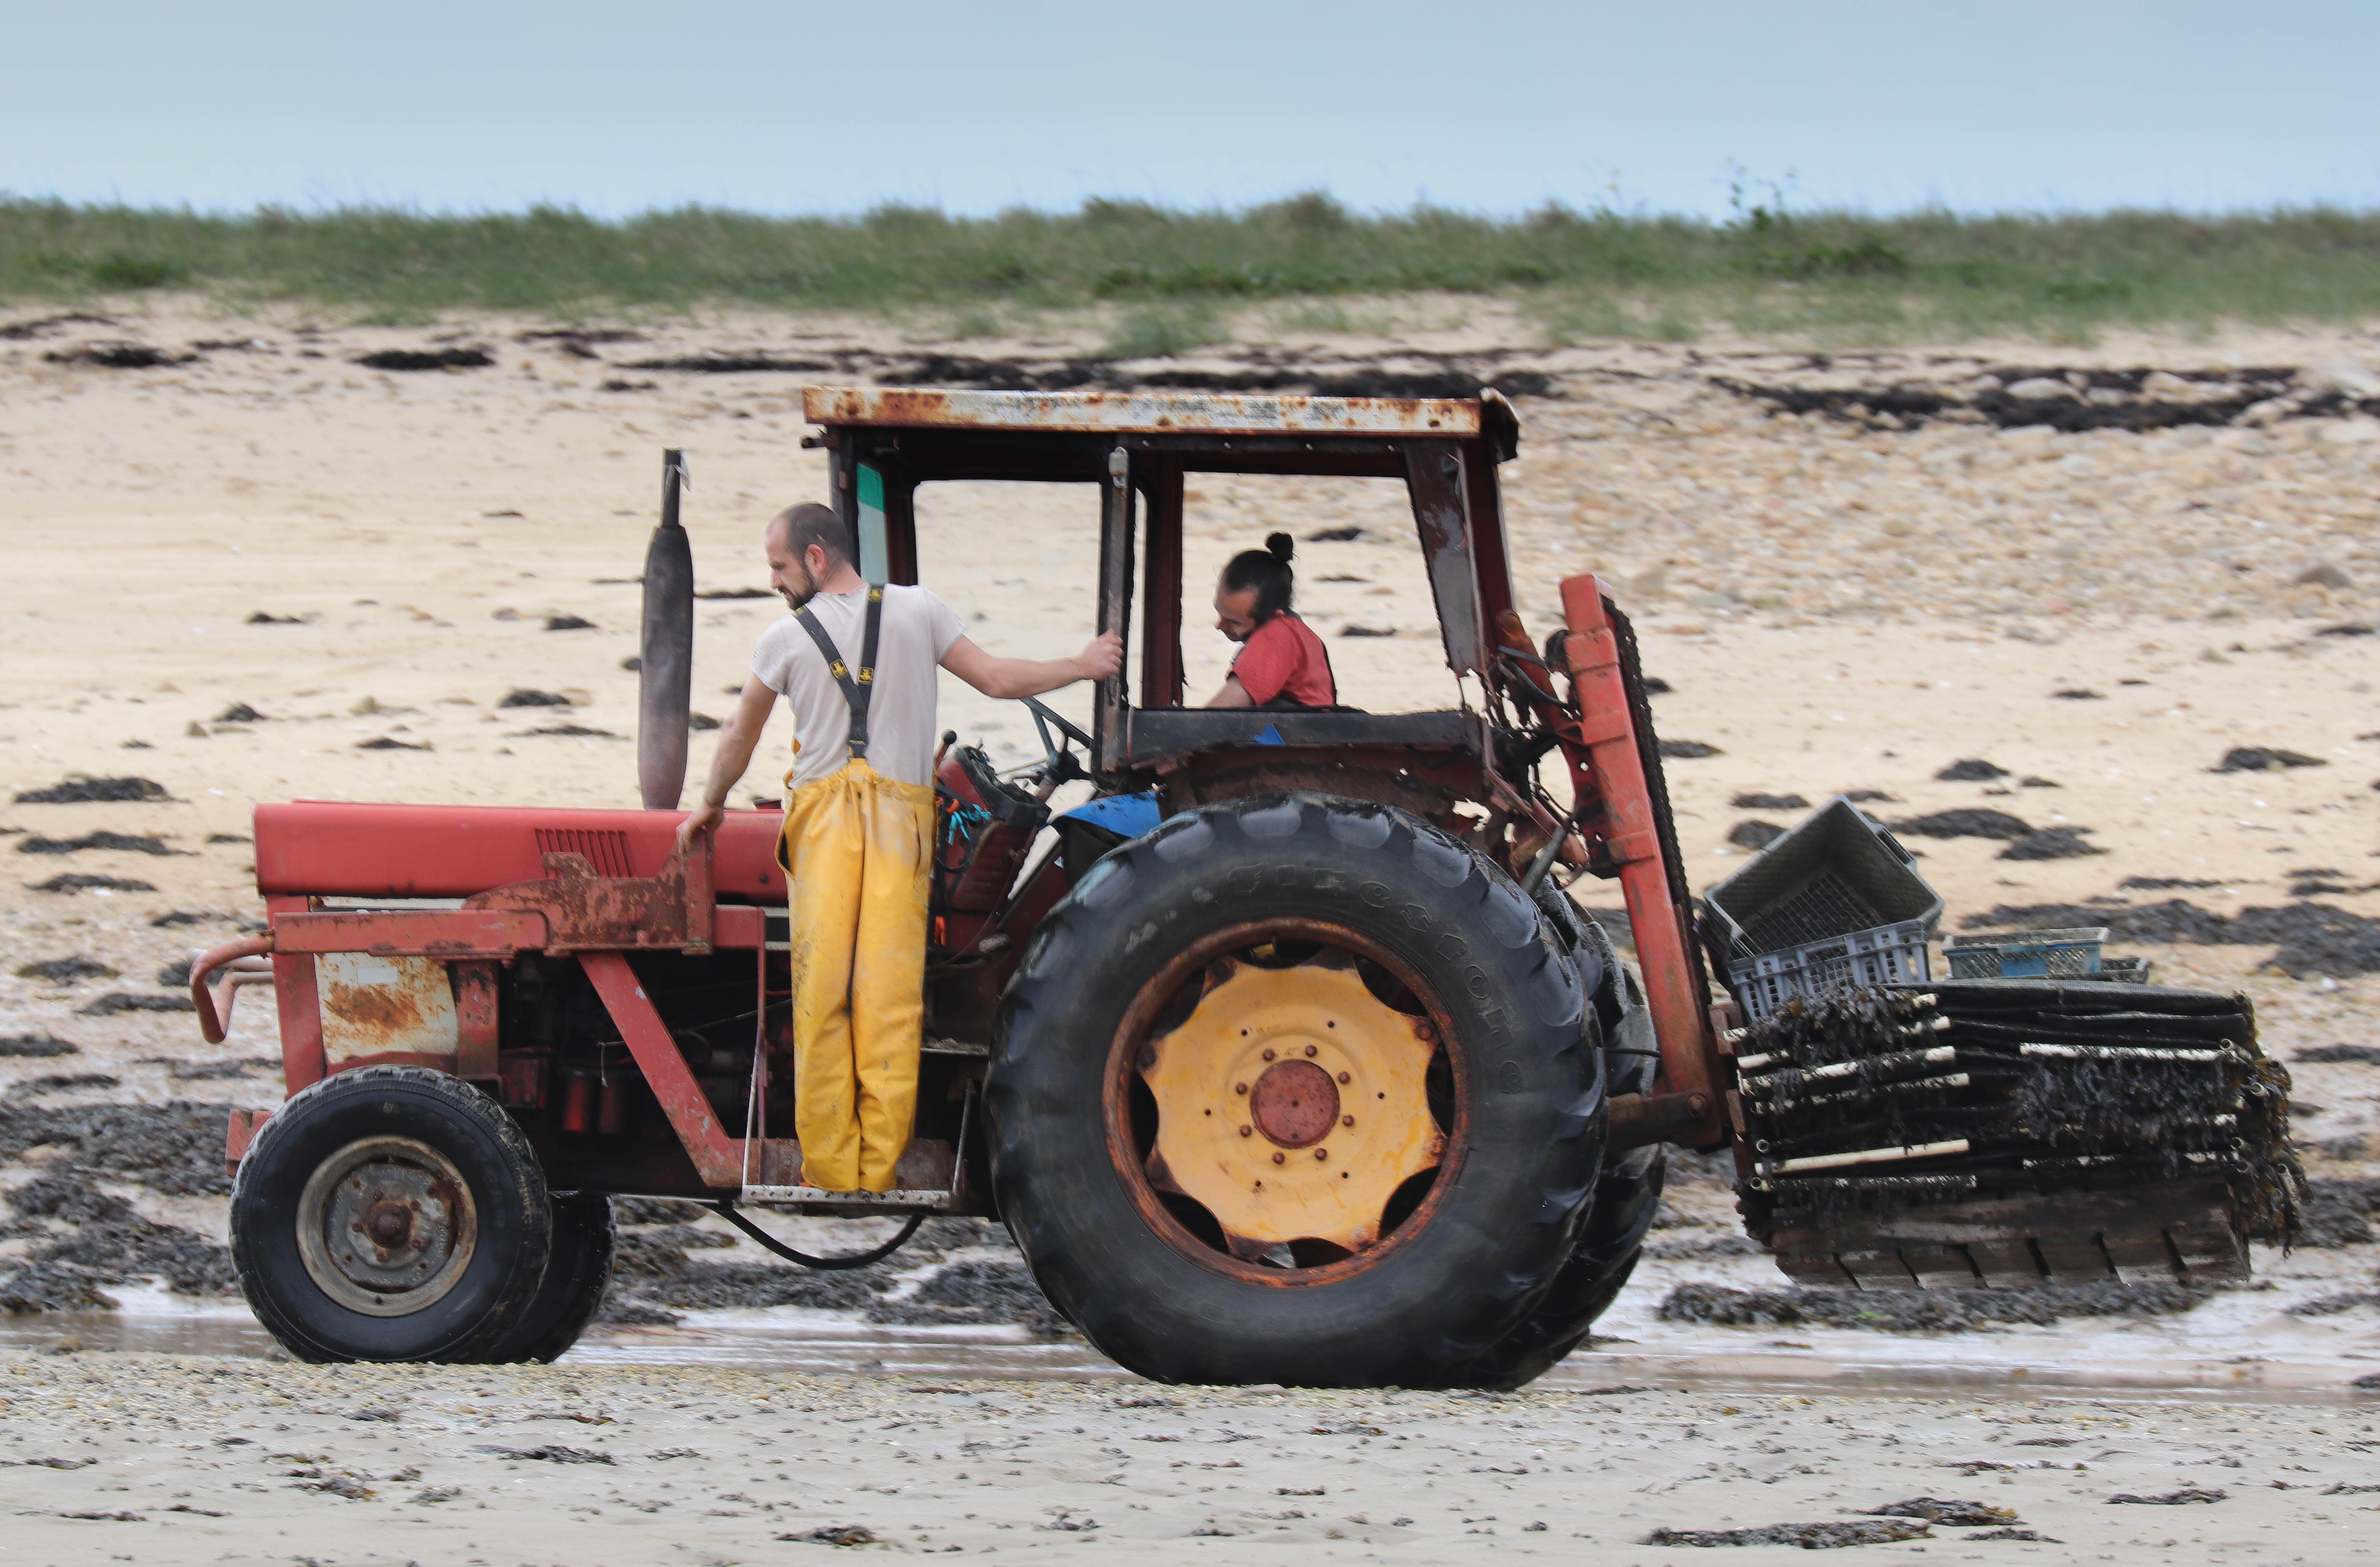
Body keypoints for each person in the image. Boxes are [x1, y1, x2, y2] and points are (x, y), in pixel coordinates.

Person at [677, 502, 1120, 1193]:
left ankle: (829, 1167)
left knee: (823, 996)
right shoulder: (921, 611)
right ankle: (878, 1168)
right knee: (889, 1000)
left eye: (779, 566)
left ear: (817, 559)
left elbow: (740, 732)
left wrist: (710, 802)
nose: (774, 581)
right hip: (899, 827)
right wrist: (1085, 663)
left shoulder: (784, 640)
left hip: (824, 827)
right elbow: (1000, 680)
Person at [1202, 532, 1337, 709]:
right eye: (1220, 614)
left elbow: (1216, 716)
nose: (1220, 626)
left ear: (1275, 614)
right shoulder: (1296, 631)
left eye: (1236, 623)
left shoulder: (1277, 636)